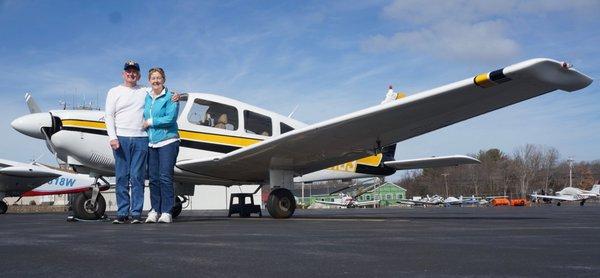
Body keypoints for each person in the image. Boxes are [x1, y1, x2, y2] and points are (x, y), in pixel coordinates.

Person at [105, 60, 179, 224]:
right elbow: (109, 115)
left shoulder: (145, 91)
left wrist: (176, 95)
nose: (131, 74)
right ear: (123, 74)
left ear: (138, 75)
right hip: (121, 138)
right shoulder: (113, 92)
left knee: (138, 177)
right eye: (128, 71)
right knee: (122, 177)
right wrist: (112, 137)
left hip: (141, 139)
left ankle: (137, 213)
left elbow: (161, 90)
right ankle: (123, 212)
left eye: (134, 72)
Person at [142, 67, 179, 223]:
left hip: (168, 141)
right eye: (153, 78)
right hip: (151, 143)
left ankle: (167, 211)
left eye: (159, 78)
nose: (156, 81)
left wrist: (150, 122)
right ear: (149, 81)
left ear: (164, 80)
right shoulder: (147, 97)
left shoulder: (171, 97)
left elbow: (170, 118)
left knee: (165, 177)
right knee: (153, 179)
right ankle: (154, 210)